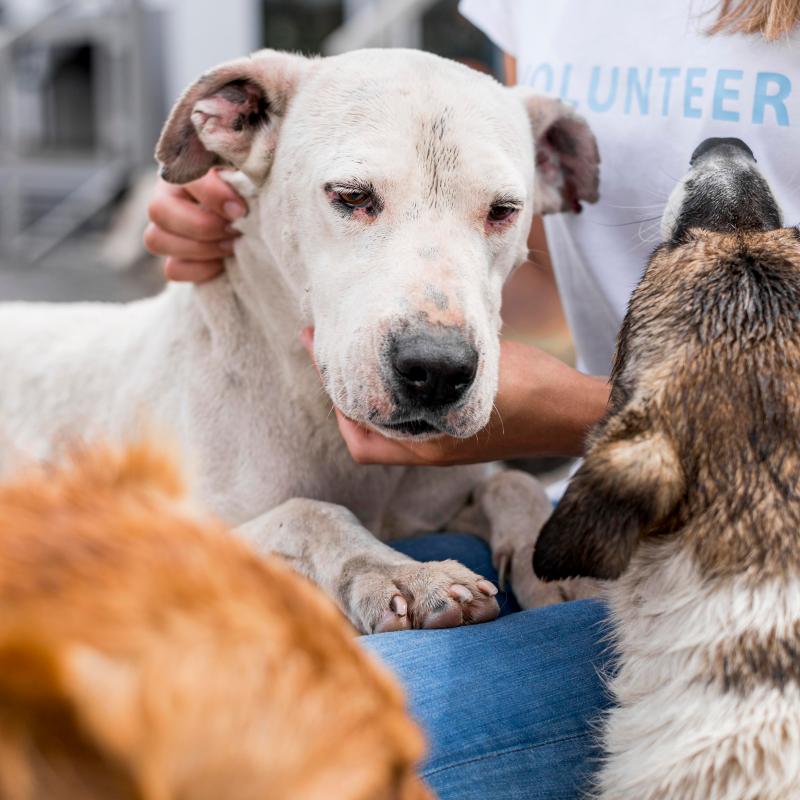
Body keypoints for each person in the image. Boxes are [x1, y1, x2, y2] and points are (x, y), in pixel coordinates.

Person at [143, 2, 800, 796]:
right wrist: (254, 224)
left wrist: (579, 410)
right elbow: (532, 271)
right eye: (353, 195)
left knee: (284, 745)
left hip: (761, 569)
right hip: (606, 514)